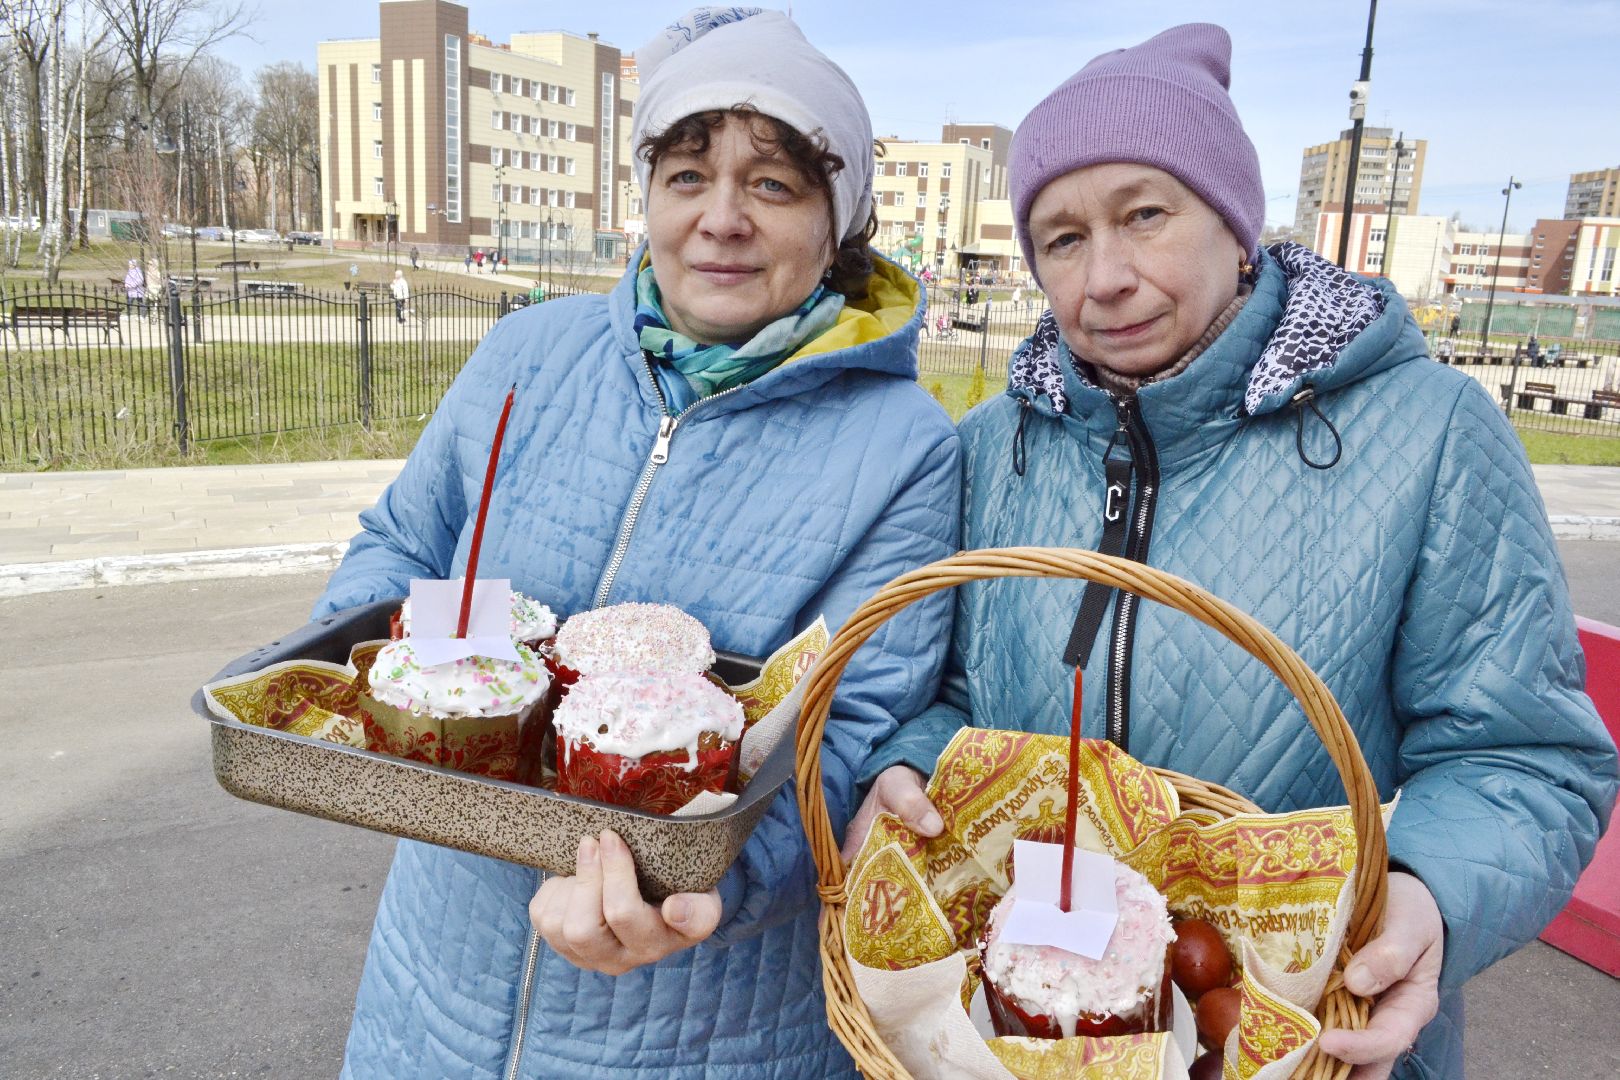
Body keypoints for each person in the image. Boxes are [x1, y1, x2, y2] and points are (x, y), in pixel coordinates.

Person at [848, 24, 1616, 1080]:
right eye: (1062, 239)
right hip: (1025, 1031)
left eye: (1145, 216)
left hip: (1310, 1039)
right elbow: (942, 695)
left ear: (1236, 224)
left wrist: (1429, 891)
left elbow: (1523, 757)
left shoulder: (1430, 434)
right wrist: (902, 766)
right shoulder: (997, 447)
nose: (1104, 278)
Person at [314, 9, 957, 1078]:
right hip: (441, 986)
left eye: (773, 184)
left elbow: (844, 743)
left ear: (839, 225)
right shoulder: (528, 351)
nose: (720, 220)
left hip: (708, 1022)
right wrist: (379, 706)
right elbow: (395, 548)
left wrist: (695, 879)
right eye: (688, 173)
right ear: (647, 194)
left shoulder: (904, 448)